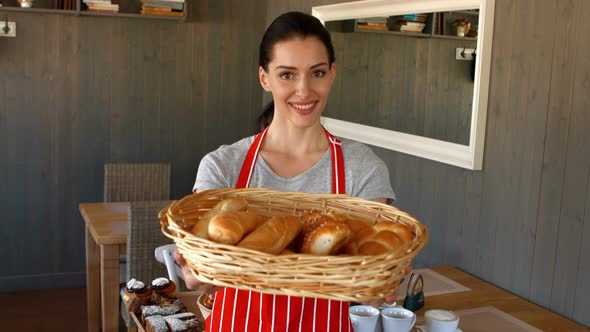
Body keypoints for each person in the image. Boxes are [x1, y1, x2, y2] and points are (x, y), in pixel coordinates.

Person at [175, 11, 398, 331]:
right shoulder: (223, 167)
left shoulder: (362, 170)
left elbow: (372, 263)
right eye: (287, 74)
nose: (304, 90)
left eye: (317, 72)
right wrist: (199, 271)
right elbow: (203, 264)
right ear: (264, 78)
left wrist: (379, 281)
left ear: (332, 73)